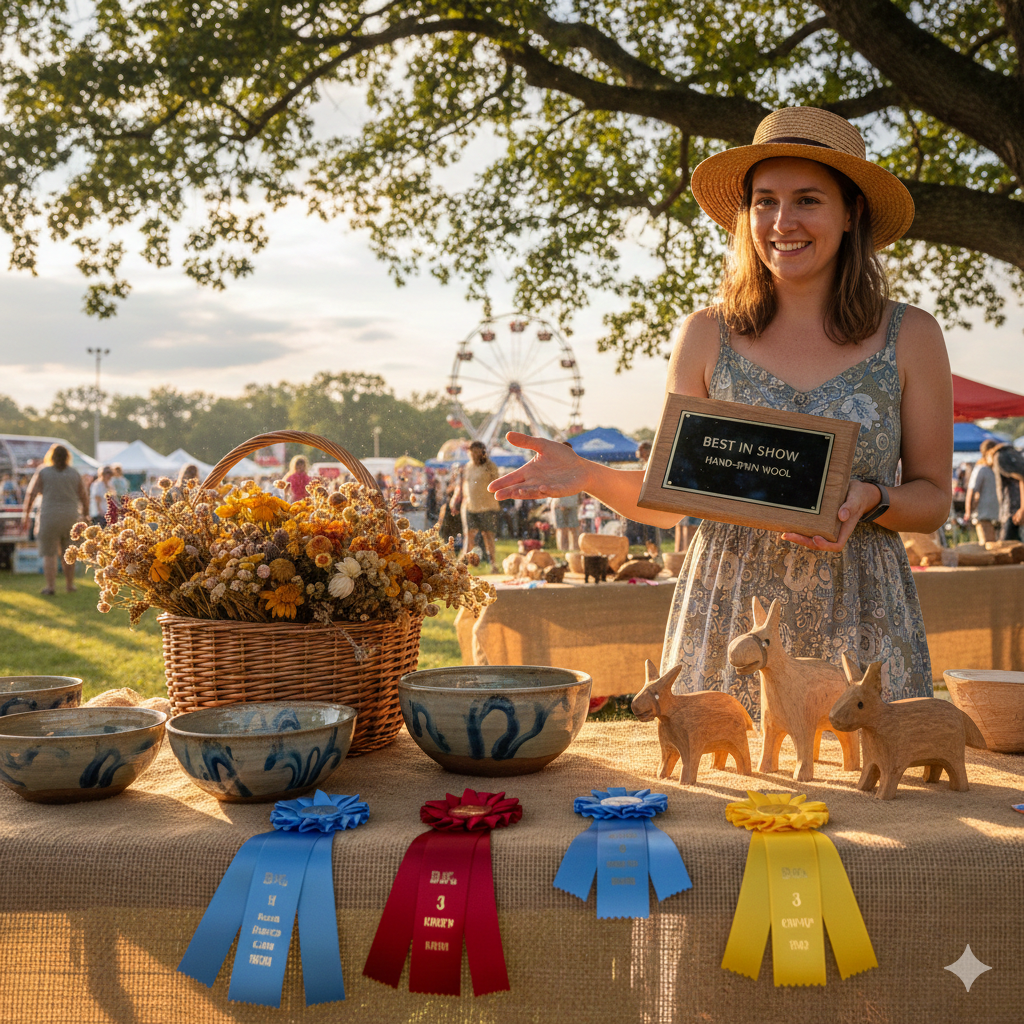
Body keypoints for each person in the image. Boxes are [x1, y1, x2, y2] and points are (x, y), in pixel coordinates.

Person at [489, 107, 952, 720]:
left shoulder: (911, 334)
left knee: (884, 803)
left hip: (861, 609)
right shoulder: (706, 333)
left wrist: (870, 496)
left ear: (852, 212)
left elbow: (934, 497)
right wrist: (590, 476)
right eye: (764, 202)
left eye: (808, 199)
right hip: (730, 613)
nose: (782, 222)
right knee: (725, 802)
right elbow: (673, 491)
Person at [21, 443, 88, 595]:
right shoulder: (74, 473)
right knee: (69, 553)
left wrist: (25, 515)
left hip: (49, 517)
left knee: (49, 554)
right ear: (67, 457)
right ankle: (70, 585)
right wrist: (85, 514)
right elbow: (84, 496)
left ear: (50, 456)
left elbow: (31, 494)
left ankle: (50, 587)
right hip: (71, 517)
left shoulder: (43, 471)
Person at [462, 440, 501, 567]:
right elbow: (465, 484)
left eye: (476, 452)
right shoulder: (468, 467)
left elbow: (497, 484)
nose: (473, 455)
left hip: (487, 506)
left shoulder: (490, 466)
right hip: (471, 506)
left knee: (488, 536)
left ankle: (493, 565)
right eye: (471, 452)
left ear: (482, 452)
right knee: (469, 536)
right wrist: (459, 498)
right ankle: (464, 566)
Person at [982, 439, 1024, 542]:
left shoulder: (1000, 456)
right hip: (1014, 511)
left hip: (1013, 512)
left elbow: (1022, 477)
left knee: (1006, 548)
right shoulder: (1012, 453)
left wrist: (1023, 508)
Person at [965, 450, 1000, 543]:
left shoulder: (987, 469)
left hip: (988, 514)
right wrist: (968, 510)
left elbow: (972, 490)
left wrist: (968, 511)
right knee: (989, 545)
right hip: (988, 514)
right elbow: (972, 490)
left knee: (990, 546)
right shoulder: (985, 470)